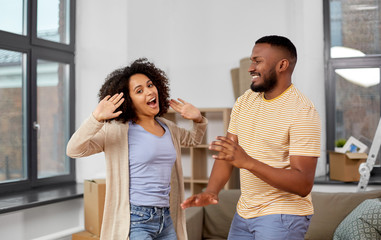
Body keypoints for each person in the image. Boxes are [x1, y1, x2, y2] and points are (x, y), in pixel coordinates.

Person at [181, 35, 321, 240]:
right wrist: (211, 190)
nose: (250, 68)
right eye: (251, 61)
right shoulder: (245, 101)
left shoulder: (302, 111)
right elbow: (228, 154)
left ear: (282, 65)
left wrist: (247, 162)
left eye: (258, 61)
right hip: (245, 213)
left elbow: (303, 184)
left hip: (283, 215)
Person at [66, 58, 207, 240]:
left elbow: (194, 139)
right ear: (129, 101)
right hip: (136, 219)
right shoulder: (116, 131)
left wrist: (198, 120)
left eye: (150, 85)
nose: (149, 92)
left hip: (166, 216)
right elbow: (74, 150)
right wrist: (96, 118)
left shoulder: (168, 128)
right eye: (139, 91)